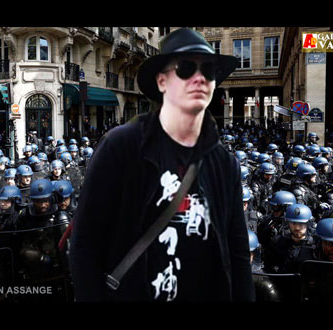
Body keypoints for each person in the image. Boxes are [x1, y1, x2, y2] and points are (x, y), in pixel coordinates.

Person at [70, 28, 255, 302]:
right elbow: (86, 244)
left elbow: (237, 252)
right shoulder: (120, 147)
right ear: (161, 82)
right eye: (186, 68)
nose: (199, 78)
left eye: (209, 71)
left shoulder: (224, 163)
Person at [264, 204, 315, 274]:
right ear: (288, 223)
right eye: (294, 223)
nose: (297, 228)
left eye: (301, 224)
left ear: (308, 224)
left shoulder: (314, 246)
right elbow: (268, 266)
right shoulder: (278, 242)